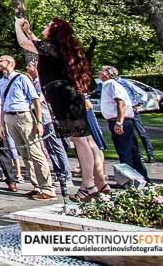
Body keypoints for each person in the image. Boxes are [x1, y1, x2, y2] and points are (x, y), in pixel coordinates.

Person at [16, 17, 108, 203]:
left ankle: (88, 186)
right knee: (88, 140)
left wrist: (17, 26)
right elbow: (37, 44)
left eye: (48, 25)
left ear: (55, 31)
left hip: (63, 98)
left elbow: (24, 43)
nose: (45, 26)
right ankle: (101, 183)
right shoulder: (62, 50)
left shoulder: (52, 49)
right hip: (72, 97)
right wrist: (28, 31)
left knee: (80, 141)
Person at [0, 55, 55, 200]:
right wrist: (1, 124)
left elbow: (35, 100)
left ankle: (48, 188)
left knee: (35, 152)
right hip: (9, 117)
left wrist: (39, 122)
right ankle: (36, 186)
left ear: (10, 63)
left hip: (23, 116)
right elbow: (3, 104)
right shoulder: (2, 82)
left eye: (0, 61)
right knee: (24, 154)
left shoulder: (22, 78)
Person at [25, 60, 74, 193]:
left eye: (29, 66)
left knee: (57, 147)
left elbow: (39, 100)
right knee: (50, 148)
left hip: (48, 119)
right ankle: (59, 174)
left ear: (36, 68)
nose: (26, 68)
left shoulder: (41, 83)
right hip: (41, 118)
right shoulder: (34, 82)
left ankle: (66, 175)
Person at [99, 65, 149, 183]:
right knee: (132, 151)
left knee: (125, 151)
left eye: (102, 71)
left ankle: (128, 181)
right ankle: (142, 178)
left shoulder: (111, 85)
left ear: (108, 74)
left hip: (121, 121)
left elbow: (121, 103)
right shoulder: (109, 85)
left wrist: (119, 122)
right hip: (121, 121)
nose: (99, 73)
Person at [119, 77, 156, 163]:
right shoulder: (112, 85)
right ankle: (138, 156)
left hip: (132, 109)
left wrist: (139, 104)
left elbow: (143, 93)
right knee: (130, 134)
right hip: (123, 111)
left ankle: (150, 155)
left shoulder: (125, 83)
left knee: (141, 133)